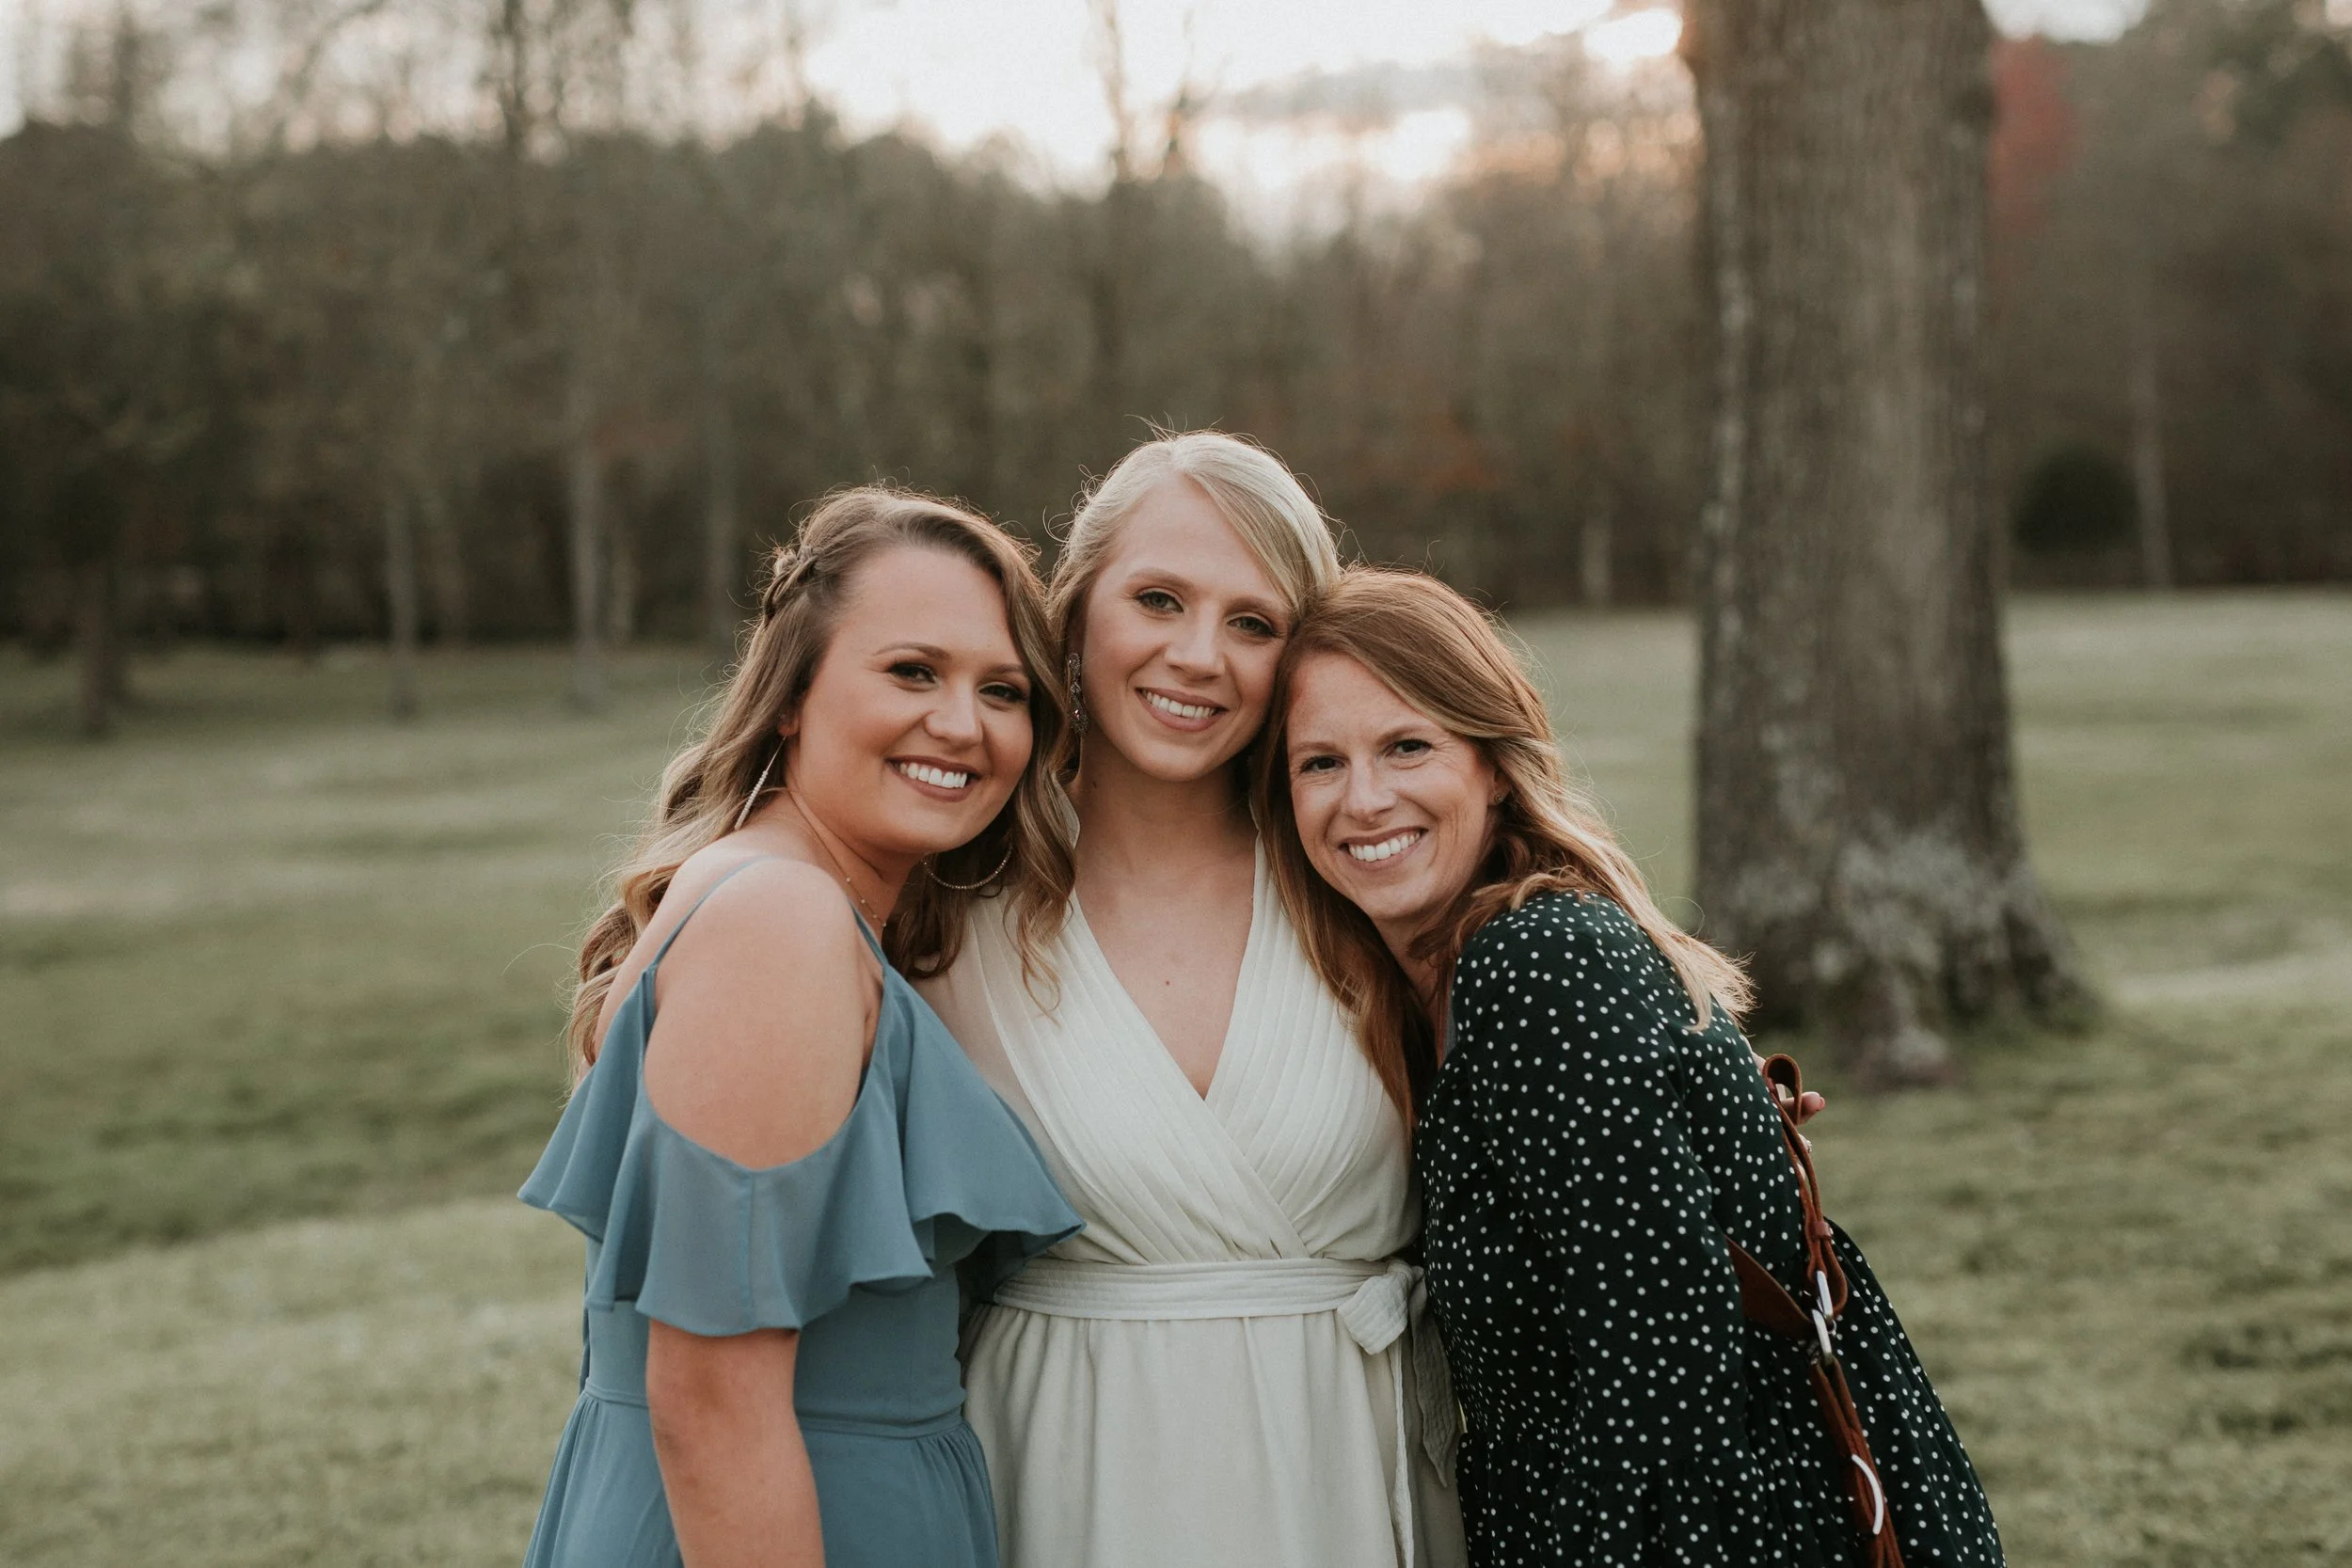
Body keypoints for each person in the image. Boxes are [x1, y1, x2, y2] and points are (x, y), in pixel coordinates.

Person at [1257, 566, 2004, 1568]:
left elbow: (1666, 1374)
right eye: (1319, 762)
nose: (1365, 797)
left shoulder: (1537, 966)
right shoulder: (1437, 986)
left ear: (1493, 762)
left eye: (1407, 744)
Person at [916, 433, 1465, 1568]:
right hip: (1064, 1473)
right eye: (1157, 598)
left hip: (1351, 1471)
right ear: (1074, 614)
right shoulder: (949, 891)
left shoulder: (1364, 867)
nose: (1198, 655)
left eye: (1253, 622)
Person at [518, 487, 1083, 1568]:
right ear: (792, 694)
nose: (962, 723)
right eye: (913, 670)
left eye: (1003, 690)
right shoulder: (777, 919)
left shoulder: (795, 902)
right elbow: (711, 1401)